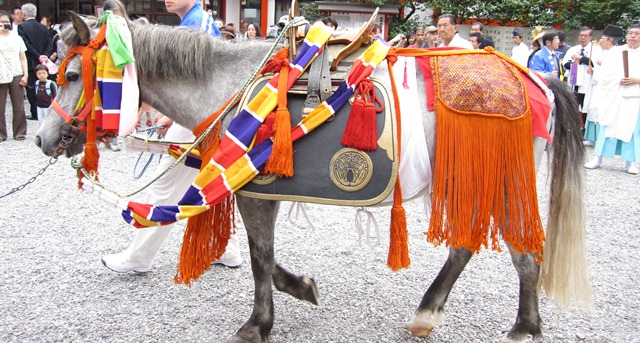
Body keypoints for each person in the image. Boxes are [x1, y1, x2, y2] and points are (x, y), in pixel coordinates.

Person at [101, 0, 242, 273]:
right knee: (211, 183)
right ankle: (226, 248)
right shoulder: (194, 21)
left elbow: (198, 80)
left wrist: (172, 114)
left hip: (197, 119)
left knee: (166, 186)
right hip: (204, 118)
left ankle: (139, 256)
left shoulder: (194, 23)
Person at [584, 23, 640, 175]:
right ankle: (598, 158)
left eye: (636, 33)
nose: (632, 36)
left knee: (631, 130)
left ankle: (630, 162)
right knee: (607, 125)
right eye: (630, 33)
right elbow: (605, 74)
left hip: (634, 98)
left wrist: (636, 80)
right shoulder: (617, 52)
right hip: (615, 95)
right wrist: (618, 80)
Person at [583, 24, 624, 146]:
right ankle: (592, 138)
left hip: (609, 89)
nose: (600, 41)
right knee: (593, 110)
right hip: (598, 86)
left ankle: (601, 140)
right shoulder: (605, 52)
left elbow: (612, 73)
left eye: (602, 39)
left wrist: (597, 70)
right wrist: (594, 71)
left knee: (602, 112)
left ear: (610, 40)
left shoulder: (617, 53)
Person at [17, 3, 53, 121]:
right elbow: (49, 43)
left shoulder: (21, 27)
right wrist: (45, 56)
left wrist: (38, 56)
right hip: (44, 62)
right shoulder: (43, 27)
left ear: (23, 13)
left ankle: (35, 112)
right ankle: (46, 110)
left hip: (30, 62)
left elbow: (26, 44)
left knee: (32, 88)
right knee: (45, 86)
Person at [562, 27, 601, 129]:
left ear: (590, 37)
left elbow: (595, 63)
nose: (583, 38)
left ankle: (585, 128)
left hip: (587, 82)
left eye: (585, 36)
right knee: (573, 103)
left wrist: (581, 58)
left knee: (586, 105)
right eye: (581, 35)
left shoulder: (595, 50)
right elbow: (565, 64)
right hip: (574, 81)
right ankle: (572, 126)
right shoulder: (573, 49)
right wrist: (574, 62)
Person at [0, 12, 28, 142]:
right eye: (2, 22)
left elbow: (23, 58)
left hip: (16, 72)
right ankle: (1, 133)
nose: (5, 24)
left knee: (18, 105)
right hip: (1, 74)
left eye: (6, 21)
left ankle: (19, 132)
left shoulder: (17, 38)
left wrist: (26, 74)